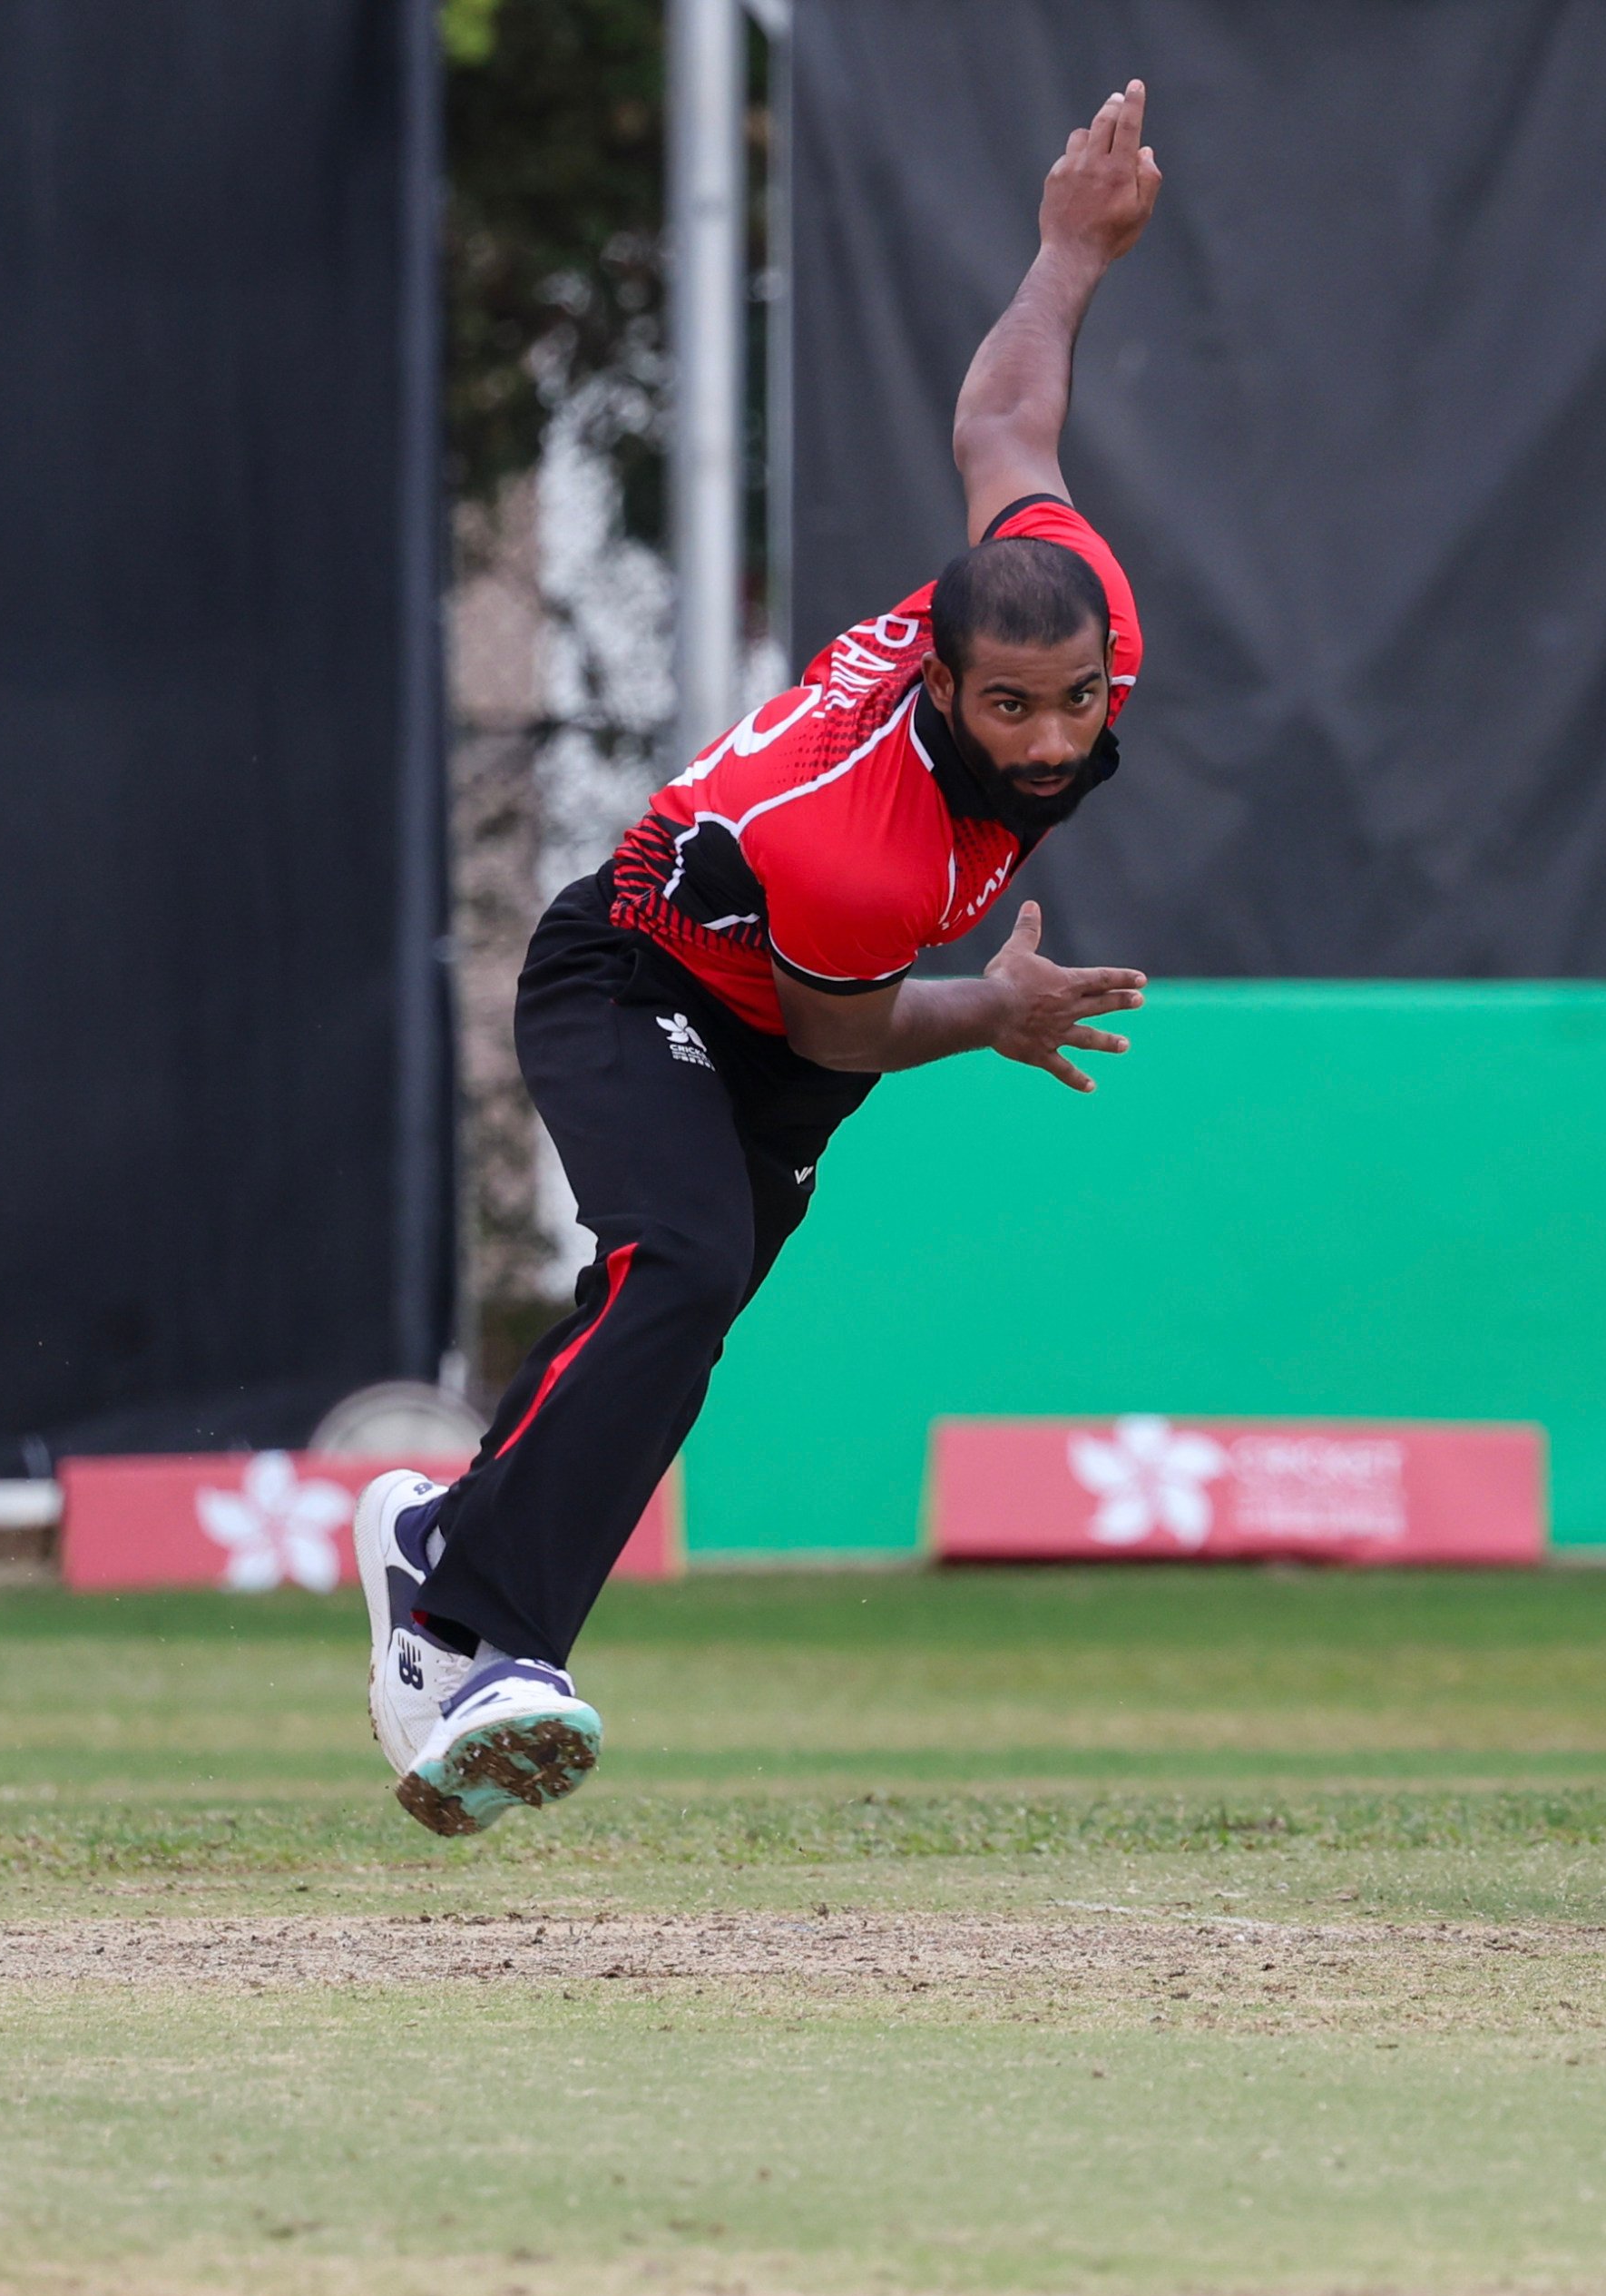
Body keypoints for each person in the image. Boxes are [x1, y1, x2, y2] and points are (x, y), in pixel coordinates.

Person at [349, 83, 1170, 1840]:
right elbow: (843, 1024)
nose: (1046, 741)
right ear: (940, 685)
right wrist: (1004, 1015)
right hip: (644, 973)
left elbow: (1007, 411)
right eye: (1006, 710)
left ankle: (446, 1561)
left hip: (789, 1024)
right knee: (682, 1252)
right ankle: (484, 1638)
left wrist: (1066, 248)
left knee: (685, 1311)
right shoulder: (854, 832)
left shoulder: (1069, 587)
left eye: (1074, 704)